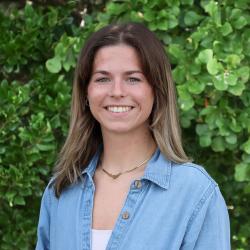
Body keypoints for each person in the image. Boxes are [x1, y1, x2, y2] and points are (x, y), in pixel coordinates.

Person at [36, 22, 230, 250]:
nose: (117, 92)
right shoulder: (60, 190)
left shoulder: (195, 192)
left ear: (156, 91)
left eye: (133, 79)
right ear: (86, 92)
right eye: (102, 79)